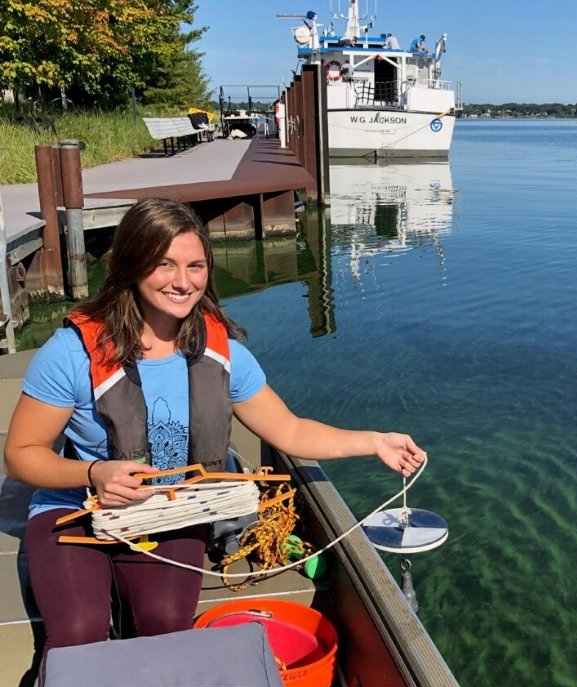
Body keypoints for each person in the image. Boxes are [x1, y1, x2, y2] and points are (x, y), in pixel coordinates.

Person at [4, 199, 426, 651]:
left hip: (174, 506)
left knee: (166, 621)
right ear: (131, 264)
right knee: (77, 630)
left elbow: (290, 431)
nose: (182, 282)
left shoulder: (223, 355)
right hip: (76, 508)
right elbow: (21, 454)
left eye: (196, 266)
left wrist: (375, 441)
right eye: (164, 264)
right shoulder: (71, 353)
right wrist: (93, 473)